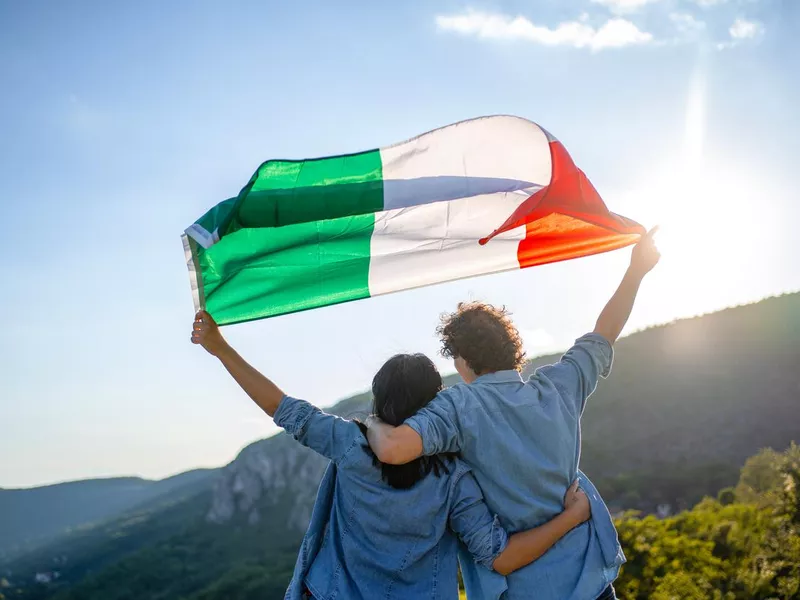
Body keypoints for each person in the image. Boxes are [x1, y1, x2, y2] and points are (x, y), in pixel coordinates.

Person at [191, 315, 593, 600]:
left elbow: (280, 407)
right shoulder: (456, 477)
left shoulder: (351, 443)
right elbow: (500, 556)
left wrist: (220, 348)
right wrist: (572, 516)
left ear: (379, 397)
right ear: (434, 405)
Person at [366, 228, 661, 600]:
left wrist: (371, 420)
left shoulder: (459, 406)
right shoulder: (559, 387)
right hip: (593, 587)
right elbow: (604, 333)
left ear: (463, 360)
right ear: (511, 348)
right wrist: (636, 271)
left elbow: (392, 449)